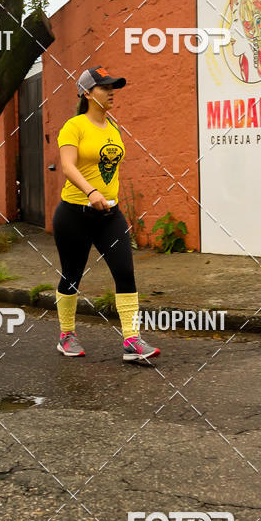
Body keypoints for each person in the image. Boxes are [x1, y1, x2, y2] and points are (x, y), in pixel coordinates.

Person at [53, 65, 160, 362]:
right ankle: (67, 335)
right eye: (105, 87)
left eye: (113, 87)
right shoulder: (73, 126)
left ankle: (131, 340)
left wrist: (105, 195)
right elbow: (68, 166)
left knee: (125, 272)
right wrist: (91, 192)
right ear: (87, 93)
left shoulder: (112, 127)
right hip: (74, 213)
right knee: (72, 275)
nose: (111, 92)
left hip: (109, 214)